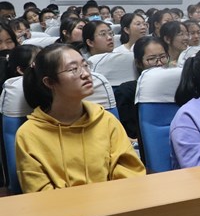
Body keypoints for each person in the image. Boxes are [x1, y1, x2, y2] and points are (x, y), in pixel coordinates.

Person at [16, 43, 145, 192]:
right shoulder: (29, 135)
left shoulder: (105, 120)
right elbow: (39, 193)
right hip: (62, 207)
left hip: (113, 202)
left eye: (85, 65)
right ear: (49, 82)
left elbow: (130, 172)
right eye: (73, 69)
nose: (85, 74)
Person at [114, 36, 167, 145]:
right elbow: (128, 135)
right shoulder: (126, 92)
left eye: (163, 57)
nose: (159, 63)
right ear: (138, 63)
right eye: (151, 59)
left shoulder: (176, 86)